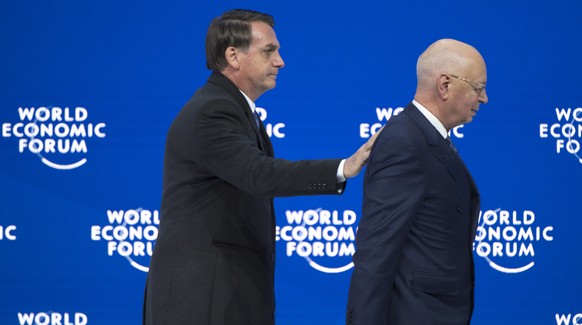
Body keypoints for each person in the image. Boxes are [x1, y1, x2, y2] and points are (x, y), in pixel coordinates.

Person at [143, 9, 380, 325]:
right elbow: (259, 174)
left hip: (224, 294)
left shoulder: (234, 109)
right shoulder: (213, 111)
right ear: (233, 56)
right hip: (204, 301)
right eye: (269, 51)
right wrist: (343, 168)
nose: (280, 61)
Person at [346, 38, 487, 325]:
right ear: (445, 85)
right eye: (479, 88)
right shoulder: (405, 141)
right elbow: (376, 249)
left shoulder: (426, 137)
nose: (484, 99)